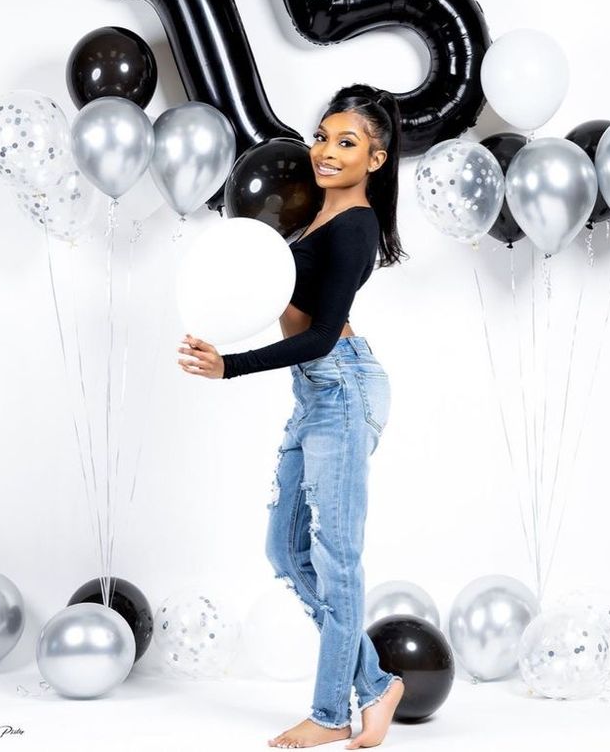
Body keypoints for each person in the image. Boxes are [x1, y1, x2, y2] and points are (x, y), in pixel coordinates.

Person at [177, 84, 408, 749]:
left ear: (377, 158)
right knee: (284, 547)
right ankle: (378, 684)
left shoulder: (357, 226)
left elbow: (322, 334)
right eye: (322, 135)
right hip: (316, 395)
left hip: (341, 387)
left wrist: (231, 366)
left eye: (347, 142)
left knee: (337, 561)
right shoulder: (311, 216)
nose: (326, 151)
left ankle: (332, 714)